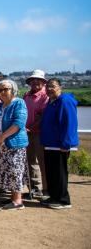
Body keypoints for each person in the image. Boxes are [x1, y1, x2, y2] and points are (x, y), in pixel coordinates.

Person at [0, 79, 29, 210]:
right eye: (0, 90)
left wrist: (2, 137)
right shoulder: (0, 106)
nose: (3, 92)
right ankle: (13, 197)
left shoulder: (19, 103)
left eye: (6, 89)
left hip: (15, 145)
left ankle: (18, 201)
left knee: (15, 170)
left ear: (13, 90)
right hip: (1, 145)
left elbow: (19, 123)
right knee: (7, 171)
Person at [40, 79, 78, 209]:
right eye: (48, 87)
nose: (50, 89)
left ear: (60, 88)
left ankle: (63, 199)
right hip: (49, 143)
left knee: (59, 172)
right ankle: (53, 196)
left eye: (53, 86)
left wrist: (66, 143)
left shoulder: (65, 102)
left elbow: (69, 123)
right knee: (51, 171)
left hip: (59, 145)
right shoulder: (52, 102)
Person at [23, 70, 50, 197]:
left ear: (43, 82)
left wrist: (29, 128)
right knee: (30, 161)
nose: (35, 82)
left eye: (38, 80)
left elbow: (43, 116)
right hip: (26, 133)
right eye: (33, 80)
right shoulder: (27, 95)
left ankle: (46, 189)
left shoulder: (45, 95)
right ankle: (34, 188)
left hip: (39, 134)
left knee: (42, 162)